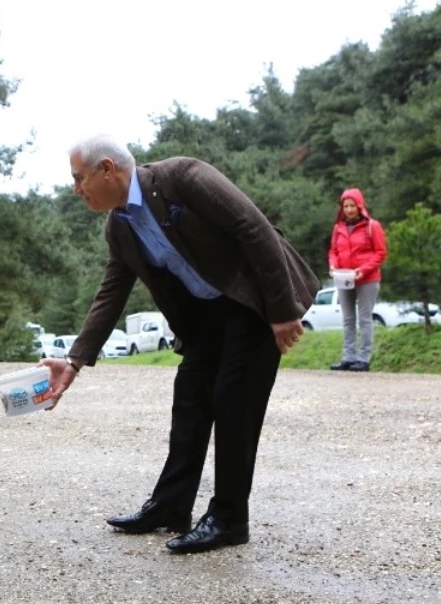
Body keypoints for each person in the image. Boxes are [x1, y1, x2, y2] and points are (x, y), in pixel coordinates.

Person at [41, 135, 319, 554]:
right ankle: (171, 506)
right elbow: (111, 293)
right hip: (205, 316)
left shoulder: (182, 177)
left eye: (79, 178)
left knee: (233, 402)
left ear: (107, 169)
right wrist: (75, 360)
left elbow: (255, 229)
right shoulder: (119, 226)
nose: (76, 189)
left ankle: (229, 519)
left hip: (253, 300)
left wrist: (282, 311)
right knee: (189, 399)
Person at [327, 189, 388, 372]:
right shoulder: (338, 228)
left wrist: (364, 270)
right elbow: (333, 252)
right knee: (347, 318)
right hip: (344, 278)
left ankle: (363, 358)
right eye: (346, 206)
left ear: (360, 206)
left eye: (352, 205)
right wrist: (333, 266)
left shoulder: (372, 226)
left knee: (365, 318)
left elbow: (380, 253)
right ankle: (348, 356)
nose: (349, 209)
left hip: (366, 278)